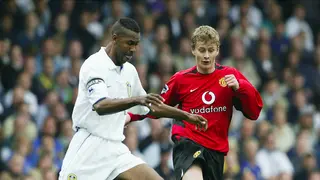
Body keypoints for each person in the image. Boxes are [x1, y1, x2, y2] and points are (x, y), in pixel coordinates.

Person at [58, 18, 208, 180]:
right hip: (89, 147)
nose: (133, 49)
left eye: (136, 44)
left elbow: (151, 107)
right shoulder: (94, 65)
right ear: (115, 38)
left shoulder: (129, 71)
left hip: (115, 148)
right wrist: (136, 100)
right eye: (129, 43)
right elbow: (101, 105)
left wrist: (186, 116)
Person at [127, 25, 263, 180]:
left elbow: (254, 112)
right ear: (193, 50)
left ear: (217, 50)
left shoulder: (230, 76)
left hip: (216, 151)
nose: (206, 55)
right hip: (188, 143)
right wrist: (130, 116)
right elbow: (156, 106)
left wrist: (241, 87)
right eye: (202, 50)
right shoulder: (181, 79)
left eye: (210, 50)